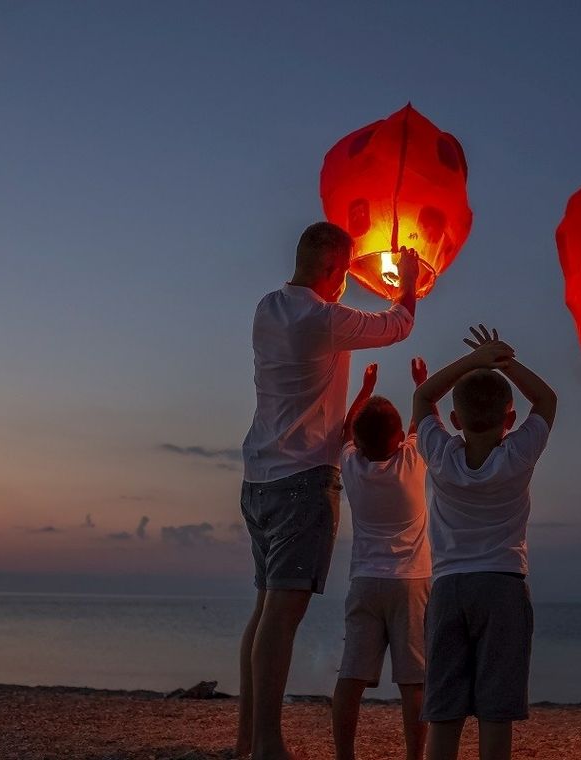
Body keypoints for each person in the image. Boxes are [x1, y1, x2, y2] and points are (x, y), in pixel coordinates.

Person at [237, 221, 420, 760]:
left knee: (263, 610)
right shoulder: (321, 320)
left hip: (258, 478)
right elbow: (400, 322)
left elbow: (339, 328)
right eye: (343, 273)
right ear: (331, 271)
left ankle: (247, 738)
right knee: (281, 616)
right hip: (301, 482)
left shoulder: (268, 307)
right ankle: (269, 744)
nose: (346, 283)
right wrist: (406, 276)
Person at [412, 325, 557, 760]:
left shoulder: (440, 454)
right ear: (509, 420)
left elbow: (423, 400)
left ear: (454, 421)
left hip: (449, 587)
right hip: (503, 586)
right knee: (496, 711)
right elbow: (547, 401)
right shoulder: (517, 455)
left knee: (444, 711)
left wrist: (473, 362)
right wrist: (504, 362)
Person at [332, 358, 433, 760]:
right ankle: (414, 756)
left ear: (360, 441)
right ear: (396, 438)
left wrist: (364, 388)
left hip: (365, 583)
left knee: (351, 677)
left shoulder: (352, 467)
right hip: (411, 583)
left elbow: (346, 430)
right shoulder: (411, 463)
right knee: (414, 682)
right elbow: (422, 423)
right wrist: (421, 385)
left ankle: (344, 756)